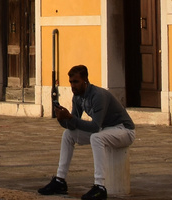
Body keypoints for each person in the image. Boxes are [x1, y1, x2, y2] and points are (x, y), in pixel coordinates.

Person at [37, 65, 134, 200]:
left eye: (76, 82)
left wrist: (70, 118)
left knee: (96, 138)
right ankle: (60, 180)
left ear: (85, 80)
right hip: (104, 130)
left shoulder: (98, 96)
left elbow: (94, 126)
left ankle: (99, 186)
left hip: (123, 130)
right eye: (71, 82)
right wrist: (62, 119)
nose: (73, 86)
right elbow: (72, 126)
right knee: (68, 135)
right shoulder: (77, 97)